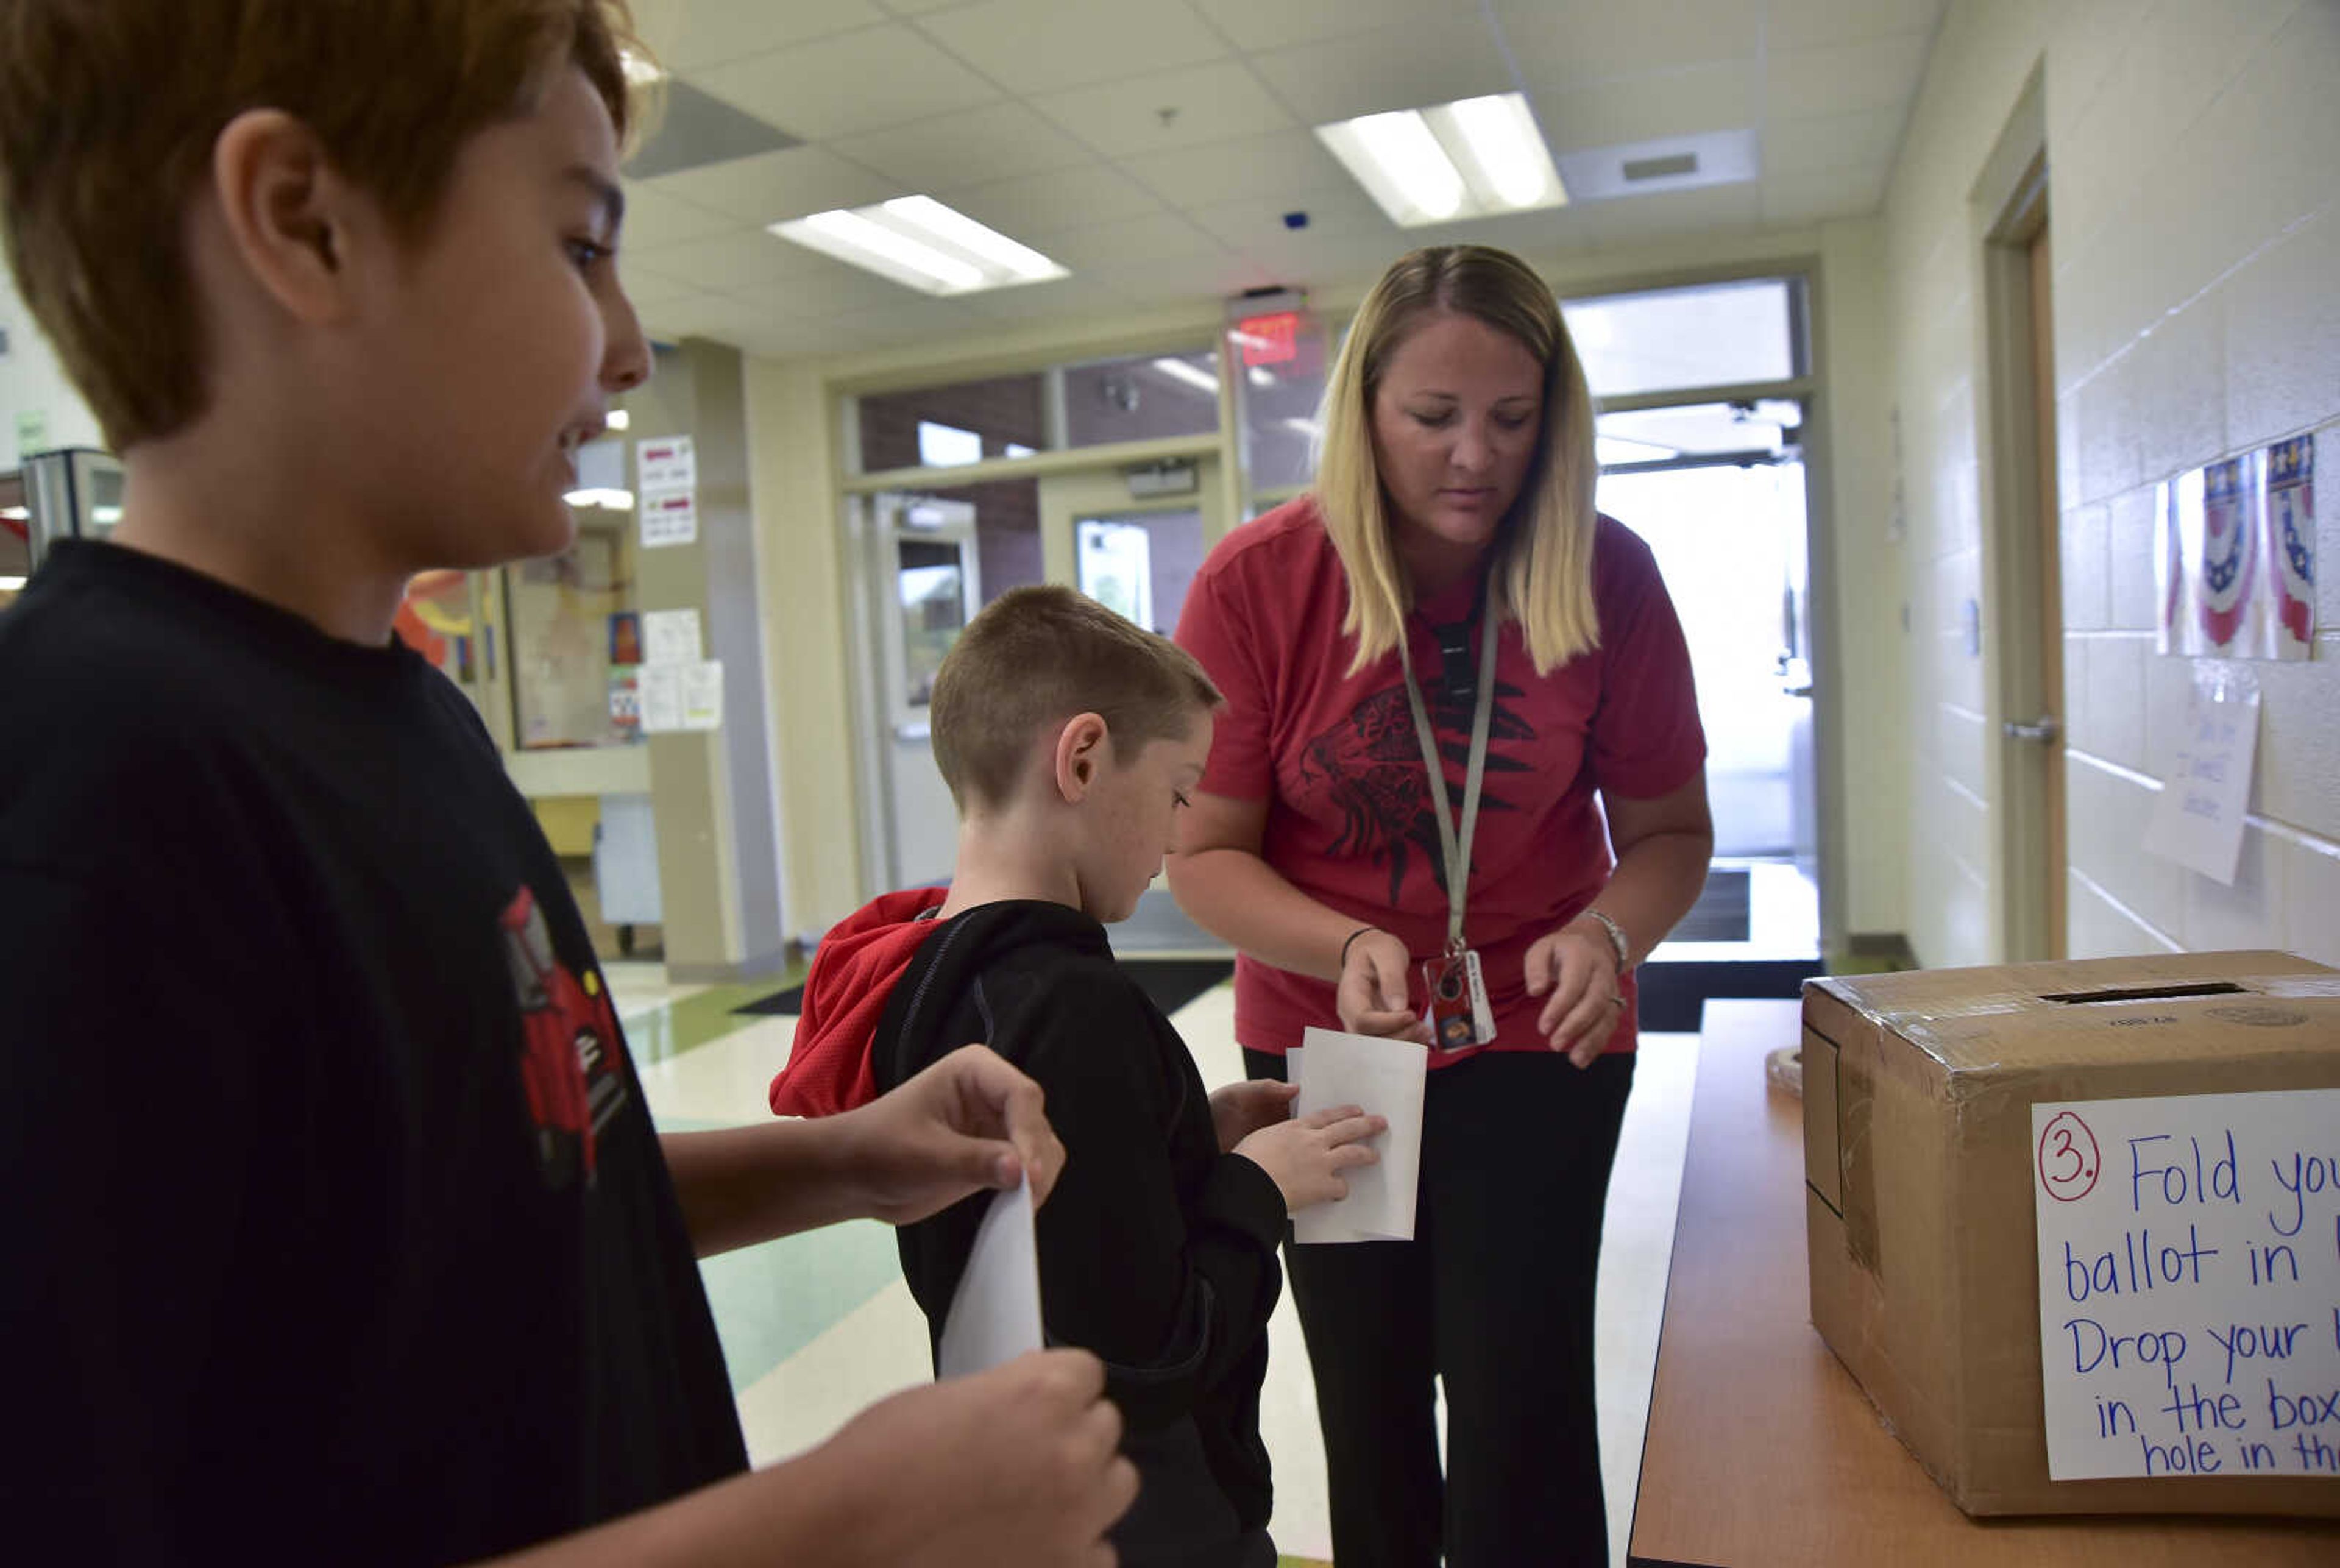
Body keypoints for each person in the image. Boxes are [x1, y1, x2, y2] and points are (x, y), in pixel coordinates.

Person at [0, 4, 1136, 1563]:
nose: (629, 343)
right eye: (581, 244)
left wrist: (844, 1156)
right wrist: (843, 1530)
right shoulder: (96, 804)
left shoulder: (403, 715)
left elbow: (481, 1195)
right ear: (303, 223)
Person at [1168, 244, 1715, 1567]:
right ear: (1363, 412)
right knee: (1368, 1397)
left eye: (1514, 419)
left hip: (1542, 1039)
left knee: (1521, 1396)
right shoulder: (1257, 587)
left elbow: (1669, 834)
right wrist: (1345, 939)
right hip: (1335, 1052)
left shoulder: (1608, 574)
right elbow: (1204, 856)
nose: (1476, 455)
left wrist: (1610, 932)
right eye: (1434, 418)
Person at [769, 584, 1386, 1568]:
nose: (1180, 835)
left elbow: (1075, 1239)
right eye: (1179, 791)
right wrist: (1257, 1190)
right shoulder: (1070, 1005)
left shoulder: (934, 972)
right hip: (1152, 1517)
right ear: (1085, 757)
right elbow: (1153, 1352)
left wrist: (1187, 1138)